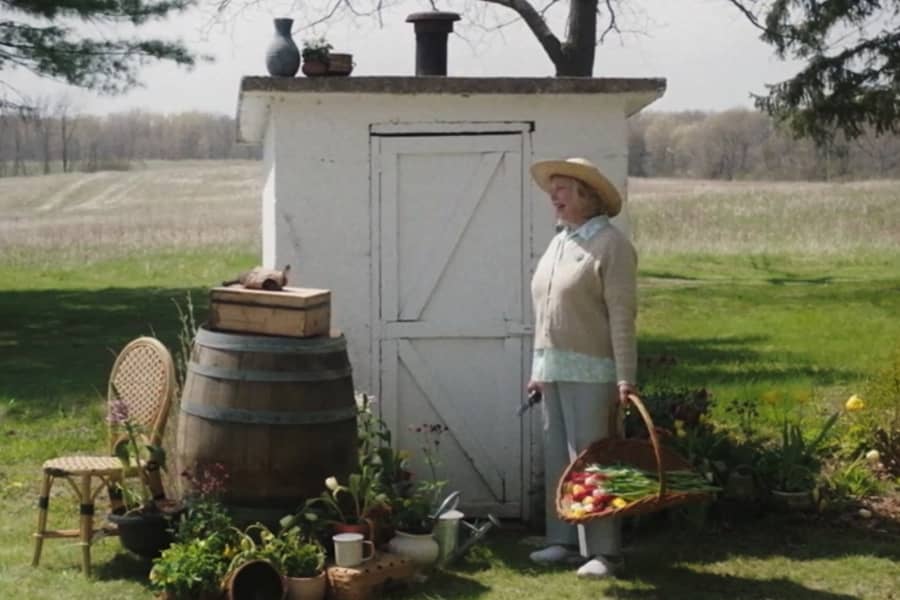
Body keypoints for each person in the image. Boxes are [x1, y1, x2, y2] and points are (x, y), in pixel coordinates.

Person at [526, 157, 638, 579]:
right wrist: (538, 367)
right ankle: (564, 540)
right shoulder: (561, 241)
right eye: (553, 189)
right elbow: (546, 311)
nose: (554, 196)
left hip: (595, 370)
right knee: (558, 458)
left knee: (592, 463)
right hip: (553, 368)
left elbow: (623, 315)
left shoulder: (611, 245)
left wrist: (626, 377)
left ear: (587, 197)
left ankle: (605, 552)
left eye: (563, 189)